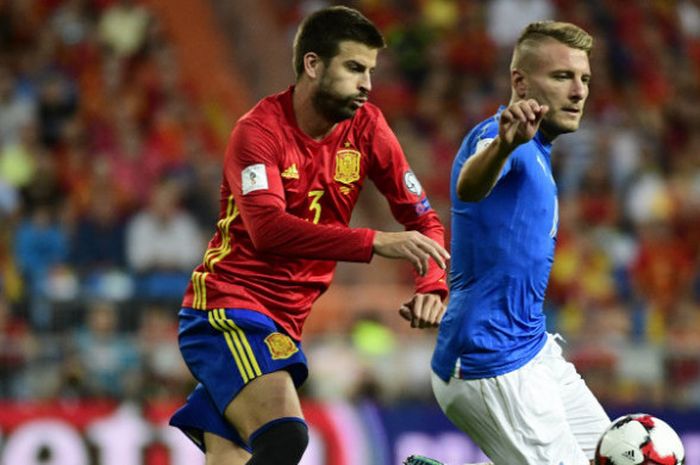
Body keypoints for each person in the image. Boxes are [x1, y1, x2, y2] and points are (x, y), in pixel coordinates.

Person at [168, 6, 450, 465]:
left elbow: (425, 221)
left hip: (286, 321)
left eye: (371, 71)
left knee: (233, 457)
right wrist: (374, 241)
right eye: (355, 68)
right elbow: (268, 230)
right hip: (228, 309)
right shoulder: (257, 133)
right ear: (313, 64)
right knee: (285, 436)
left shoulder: (368, 128)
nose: (367, 84)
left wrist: (432, 286)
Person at [405, 21, 610, 465]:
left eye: (585, 79)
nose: (578, 92)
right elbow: (470, 184)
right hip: (490, 362)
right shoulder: (501, 137)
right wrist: (502, 145)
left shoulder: (537, 147)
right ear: (520, 81)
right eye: (562, 77)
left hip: (533, 348)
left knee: (613, 455)